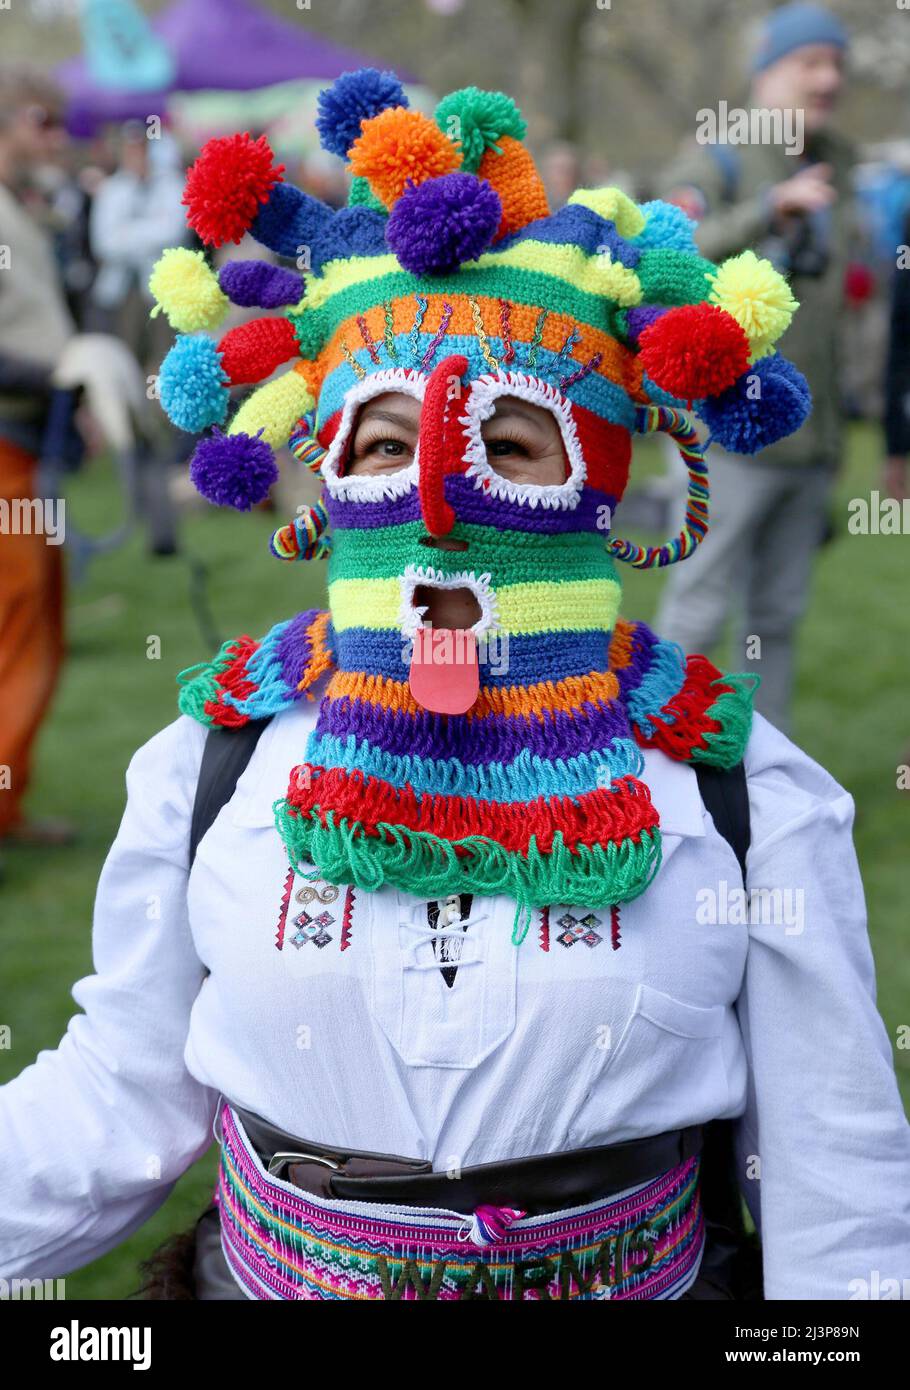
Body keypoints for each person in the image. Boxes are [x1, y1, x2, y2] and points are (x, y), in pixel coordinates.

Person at [1, 70, 908, 1303]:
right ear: (327, 475)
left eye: (510, 441)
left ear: (591, 483)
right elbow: (120, 1091)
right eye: (384, 442)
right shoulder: (212, 763)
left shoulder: (737, 787)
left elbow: (832, 1166)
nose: (438, 495)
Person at [654, 2, 854, 735]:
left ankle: (767, 780)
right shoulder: (722, 152)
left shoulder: (840, 160)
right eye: (811, 62)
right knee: (700, 604)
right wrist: (767, 211)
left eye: (837, 64)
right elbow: (664, 250)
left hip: (810, 443)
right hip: (727, 435)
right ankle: (654, 765)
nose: (829, 78)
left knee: (778, 618)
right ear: (767, 69)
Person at [0, 67, 75, 849]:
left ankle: (8, 803)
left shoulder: (24, 208)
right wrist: (55, 372)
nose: (53, 136)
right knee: (16, 624)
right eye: (40, 120)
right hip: (4, 447)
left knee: (37, 621)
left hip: (28, 442)